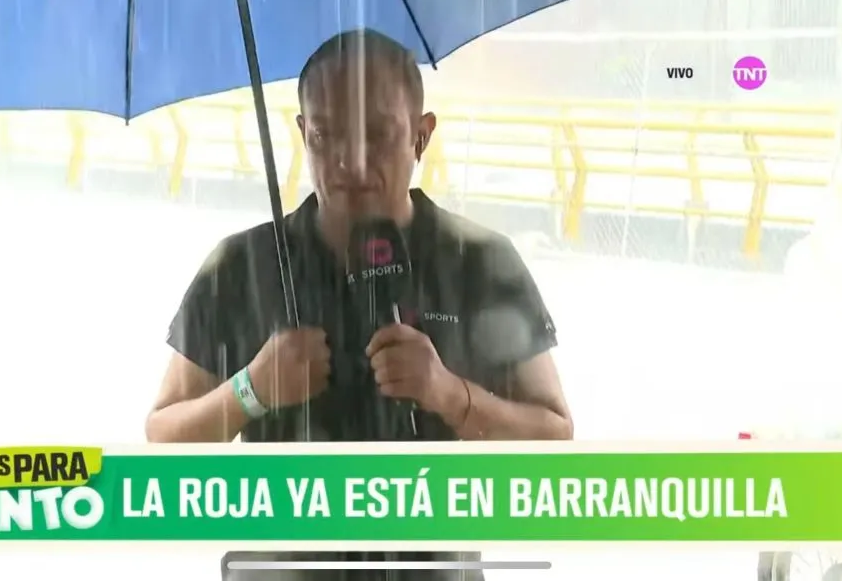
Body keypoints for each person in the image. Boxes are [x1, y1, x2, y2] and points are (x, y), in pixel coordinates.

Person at [145, 29, 573, 580]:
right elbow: (163, 436)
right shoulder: (239, 265)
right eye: (327, 135)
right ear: (303, 134)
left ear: (421, 136)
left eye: (380, 135)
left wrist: (451, 395)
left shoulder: (481, 262)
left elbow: (554, 438)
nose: (351, 162)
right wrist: (250, 390)